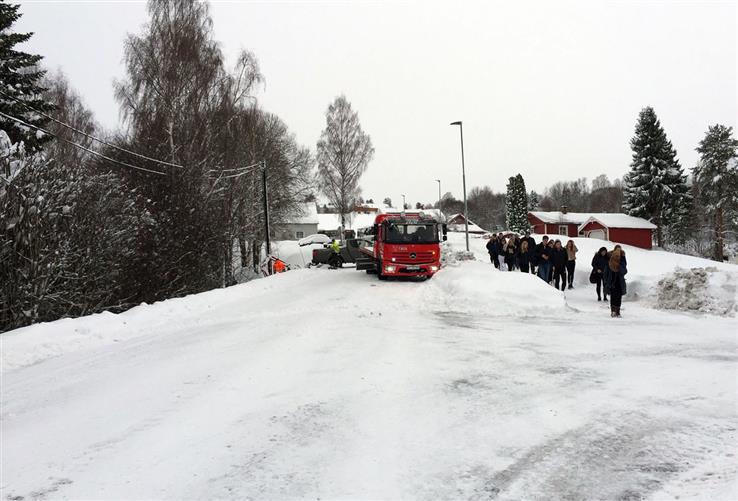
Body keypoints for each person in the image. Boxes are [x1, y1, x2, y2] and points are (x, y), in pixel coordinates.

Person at [604, 247, 627, 317]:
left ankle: (618, 311)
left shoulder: (622, 260)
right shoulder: (609, 261)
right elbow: (606, 273)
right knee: (613, 297)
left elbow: (624, 271)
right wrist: (606, 282)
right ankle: (613, 311)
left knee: (619, 297)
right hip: (611, 282)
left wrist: (618, 266)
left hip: (619, 282)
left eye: (619, 251)